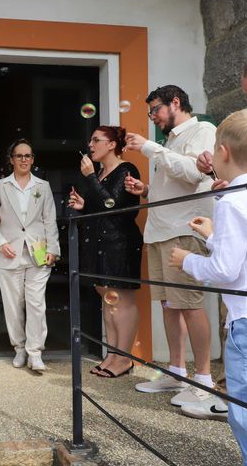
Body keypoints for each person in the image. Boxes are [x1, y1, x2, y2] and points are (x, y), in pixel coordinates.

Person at [169, 108, 247, 464]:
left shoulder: (233, 202)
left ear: (223, 152)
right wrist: (214, 236)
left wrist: (185, 260)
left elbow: (223, 270)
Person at [124, 85, 216, 407]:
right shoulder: (168, 142)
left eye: (156, 110)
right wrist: (146, 188)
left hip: (184, 230)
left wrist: (149, 147)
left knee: (189, 304)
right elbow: (172, 184)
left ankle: (203, 378)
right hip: (159, 231)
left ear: (176, 102)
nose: (153, 117)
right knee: (168, 306)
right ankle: (176, 372)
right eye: (150, 112)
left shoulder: (202, 130)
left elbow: (194, 173)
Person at [68, 126, 143, 378]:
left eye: (96, 140)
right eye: (91, 140)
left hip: (120, 244)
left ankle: (124, 359)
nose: (91, 144)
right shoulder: (101, 173)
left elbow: (114, 206)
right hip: (100, 244)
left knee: (122, 301)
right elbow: (102, 207)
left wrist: (89, 178)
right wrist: (84, 205)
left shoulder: (126, 170)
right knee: (108, 300)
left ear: (112, 145)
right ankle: (111, 355)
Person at [0, 139, 60, 372]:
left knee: (36, 304)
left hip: (38, 253)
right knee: (13, 305)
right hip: (9, 252)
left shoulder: (43, 186)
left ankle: (35, 352)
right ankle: (19, 348)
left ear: (33, 159)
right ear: (12, 159)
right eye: (19, 156)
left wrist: (53, 249)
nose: (24, 160)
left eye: (28, 156)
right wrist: (0, 244)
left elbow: (49, 219)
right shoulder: (0, 186)